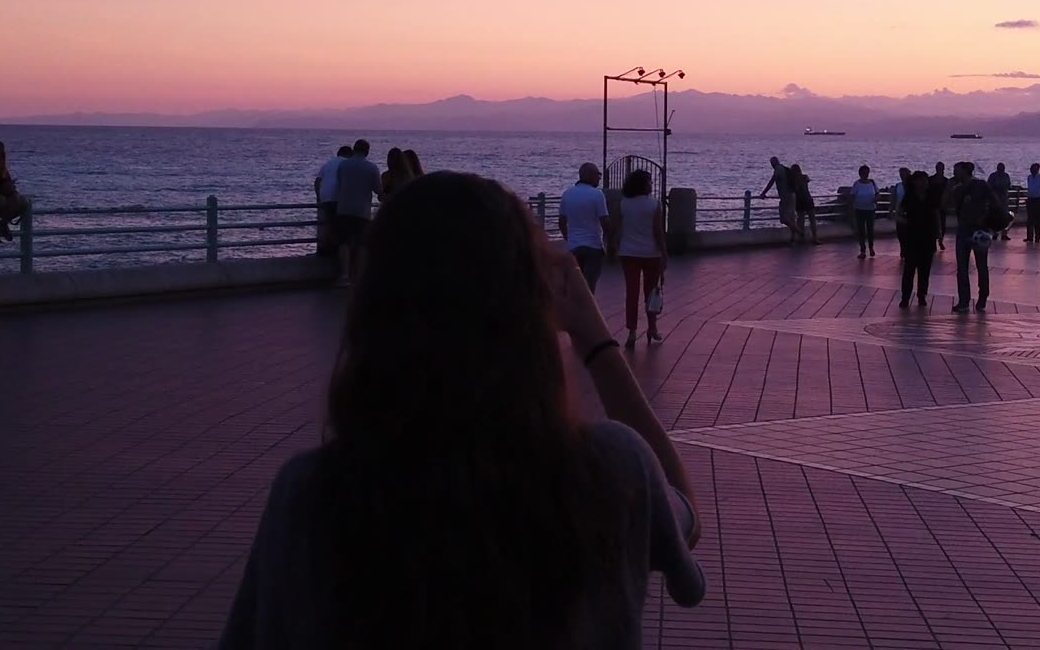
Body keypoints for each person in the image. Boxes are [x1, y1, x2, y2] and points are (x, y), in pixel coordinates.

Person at [218, 172, 705, 650]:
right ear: (528, 310)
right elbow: (686, 546)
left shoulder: (312, 495)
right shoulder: (610, 470)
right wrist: (593, 338)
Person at [618, 170, 668, 349]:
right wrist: (664, 253)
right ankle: (652, 328)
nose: (652, 184)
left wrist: (613, 247)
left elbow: (619, 227)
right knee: (651, 293)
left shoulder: (624, 204)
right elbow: (658, 232)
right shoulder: (654, 204)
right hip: (651, 253)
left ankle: (632, 331)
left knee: (631, 293)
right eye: (650, 181)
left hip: (628, 253)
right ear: (644, 184)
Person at [949, 162, 1002, 313]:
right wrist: (949, 189)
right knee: (962, 268)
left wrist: (985, 217)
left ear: (966, 171)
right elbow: (945, 205)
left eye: (956, 170)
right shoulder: (957, 189)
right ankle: (964, 301)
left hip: (980, 232)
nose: (954, 173)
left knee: (981, 266)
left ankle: (983, 296)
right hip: (963, 231)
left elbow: (995, 202)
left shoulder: (980, 185)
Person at [333, 139, 382, 287]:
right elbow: (377, 190)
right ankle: (359, 277)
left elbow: (340, 183)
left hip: (344, 208)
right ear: (367, 151)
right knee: (361, 245)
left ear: (354, 149)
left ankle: (344, 276)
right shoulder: (372, 168)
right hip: (362, 211)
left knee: (344, 243)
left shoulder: (343, 165)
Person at [558, 162, 611, 293]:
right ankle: (587, 310)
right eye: (598, 174)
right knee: (589, 287)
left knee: (573, 285)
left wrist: (569, 238)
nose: (599, 178)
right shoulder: (597, 195)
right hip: (593, 247)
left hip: (573, 247)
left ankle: (572, 310)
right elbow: (605, 222)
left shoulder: (567, 194)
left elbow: (561, 222)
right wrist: (611, 243)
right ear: (591, 176)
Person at [898, 170, 939, 308]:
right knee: (909, 269)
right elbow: (900, 213)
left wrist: (938, 232)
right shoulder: (909, 197)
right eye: (921, 180)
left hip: (928, 237)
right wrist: (905, 223)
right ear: (915, 182)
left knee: (925, 270)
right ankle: (905, 297)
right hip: (912, 237)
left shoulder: (931, 196)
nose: (924, 183)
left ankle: (922, 295)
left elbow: (936, 213)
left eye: (925, 181)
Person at [315, 145, 354, 256]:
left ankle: (325, 248)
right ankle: (336, 251)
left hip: (325, 197)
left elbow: (317, 182)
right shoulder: (347, 164)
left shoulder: (327, 164)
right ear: (349, 155)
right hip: (338, 198)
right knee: (340, 227)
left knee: (329, 223)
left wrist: (319, 197)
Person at [760, 156, 802, 242]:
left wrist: (764, 193)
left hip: (786, 196)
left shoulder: (778, 169)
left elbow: (772, 181)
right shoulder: (785, 169)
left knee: (783, 219)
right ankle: (793, 237)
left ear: (773, 163)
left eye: (771, 163)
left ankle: (799, 231)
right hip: (792, 195)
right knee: (791, 217)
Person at [850, 165, 878, 258]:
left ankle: (871, 248)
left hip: (871, 209)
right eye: (864, 173)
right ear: (860, 173)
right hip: (859, 210)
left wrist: (876, 198)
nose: (866, 174)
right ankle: (863, 250)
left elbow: (877, 193)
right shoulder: (856, 184)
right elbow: (852, 196)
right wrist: (851, 209)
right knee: (861, 230)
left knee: (870, 230)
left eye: (867, 173)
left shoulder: (872, 183)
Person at [791, 164, 819, 245]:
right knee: (812, 220)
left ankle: (802, 238)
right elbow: (808, 180)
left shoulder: (793, 180)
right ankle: (815, 238)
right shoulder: (804, 177)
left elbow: (795, 189)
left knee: (801, 221)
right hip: (808, 199)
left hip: (799, 201)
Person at [1024, 163, 1040, 243]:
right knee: (1029, 219)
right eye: (1031, 168)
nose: (1032, 170)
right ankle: (1029, 237)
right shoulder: (1029, 178)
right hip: (1031, 200)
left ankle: (1037, 237)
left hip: (1039, 200)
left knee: (1038, 219)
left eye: (1034, 169)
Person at [987, 162, 1012, 240]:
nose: (1001, 170)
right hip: (995, 200)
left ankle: (1004, 234)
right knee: (995, 217)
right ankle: (995, 233)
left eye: (1002, 169)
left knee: (1005, 218)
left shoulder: (1006, 176)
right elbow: (989, 186)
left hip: (1004, 199)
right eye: (1000, 168)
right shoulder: (993, 176)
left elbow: (1008, 185)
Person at [927, 162, 949, 250]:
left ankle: (940, 241)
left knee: (942, 225)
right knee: (932, 225)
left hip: (942, 206)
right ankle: (933, 243)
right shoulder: (931, 180)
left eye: (941, 168)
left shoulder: (946, 181)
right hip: (932, 205)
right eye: (938, 168)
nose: (939, 170)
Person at [890, 167, 911, 256]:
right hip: (899, 213)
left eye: (904, 174)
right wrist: (891, 210)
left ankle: (908, 249)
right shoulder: (898, 186)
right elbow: (894, 198)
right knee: (900, 233)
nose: (902, 176)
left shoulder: (912, 186)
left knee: (909, 233)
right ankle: (903, 248)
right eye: (901, 175)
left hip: (910, 213)